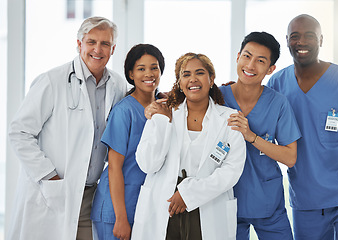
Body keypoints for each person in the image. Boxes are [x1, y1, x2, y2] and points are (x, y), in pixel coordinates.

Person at [8, 16, 127, 240]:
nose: (97, 49)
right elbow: (20, 132)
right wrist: (50, 177)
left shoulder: (118, 85)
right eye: (91, 42)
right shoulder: (52, 81)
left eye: (105, 44)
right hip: (52, 193)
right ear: (79, 44)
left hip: (91, 195)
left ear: (113, 49)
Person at [267, 14, 338, 240]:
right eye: (295, 36)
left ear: (321, 40)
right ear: (287, 41)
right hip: (306, 198)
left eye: (309, 36)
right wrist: (230, 92)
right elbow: (254, 116)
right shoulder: (277, 84)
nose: (301, 42)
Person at [130, 53, 246, 240]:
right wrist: (162, 122)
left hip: (208, 201)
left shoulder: (229, 119)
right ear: (179, 82)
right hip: (165, 201)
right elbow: (147, 164)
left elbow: (232, 170)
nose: (193, 79)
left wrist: (188, 194)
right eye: (186, 74)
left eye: (199, 73)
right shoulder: (163, 112)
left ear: (211, 79)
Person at [220, 31, 301, 240]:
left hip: (267, 202)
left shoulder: (278, 103)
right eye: (247, 56)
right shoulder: (217, 97)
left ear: (270, 69)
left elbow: (290, 157)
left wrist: (251, 136)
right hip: (225, 200)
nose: (250, 65)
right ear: (237, 57)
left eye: (260, 60)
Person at [90, 43, 165, 240]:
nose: (148, 74)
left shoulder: (163, 106)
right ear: (131, 74)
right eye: (141, 69)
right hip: (116, 209)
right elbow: (114, 167)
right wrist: (120, 218)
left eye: (154, 67)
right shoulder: (124, 111)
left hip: (143, 205)